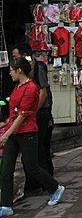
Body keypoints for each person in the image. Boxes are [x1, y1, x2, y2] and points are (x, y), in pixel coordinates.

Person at [0, 57, 65, 216]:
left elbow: (23, 115)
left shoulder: (31, 88)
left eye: (11, 70)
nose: (9, 73)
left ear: (19, 70)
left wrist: (6, 134)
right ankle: (6, 205)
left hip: (27, 132)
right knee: (6, 170)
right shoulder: (17, 87)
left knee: (32, 167)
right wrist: (5, 125)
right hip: (13, 133)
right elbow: (13, 112)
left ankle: (55, 187)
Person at [11, 43, 54, 203]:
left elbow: (42, 92)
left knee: (39, 151)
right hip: (28, 116)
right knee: (36, 153)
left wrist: (32, 112)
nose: (14, 62)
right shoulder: (21, 78)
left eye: (16, 57)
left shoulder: (37, 68)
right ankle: (41, 183)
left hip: (38, 115)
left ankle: (47, 184)